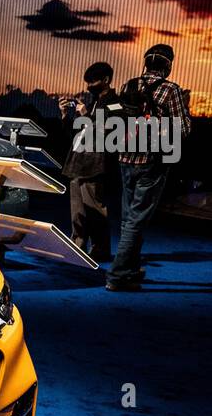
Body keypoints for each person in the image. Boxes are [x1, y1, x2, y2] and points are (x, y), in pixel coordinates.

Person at [106, 43, 191, 291]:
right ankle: (117, 275)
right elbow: (182, 130)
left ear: (146, 62)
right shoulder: (170, 90)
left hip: (125, 158)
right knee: (137, 219)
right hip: (152, 162)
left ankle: (130, 269)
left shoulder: (129, 85)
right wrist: (186, 109)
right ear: (168, 65)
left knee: (128, 217)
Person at [58, 61, 117, 262]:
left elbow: (107, 132)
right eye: (87, 82)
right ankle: (78, 245)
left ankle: (100, 250)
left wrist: (85, 116)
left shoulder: (115, 103)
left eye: (93, 81)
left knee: (95, 211)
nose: (89, 86)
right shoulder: (91, 103)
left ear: (106, 80)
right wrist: (66, 115)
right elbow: (75, 132)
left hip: (96, 165)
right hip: (77, 163)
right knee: (77, 212)